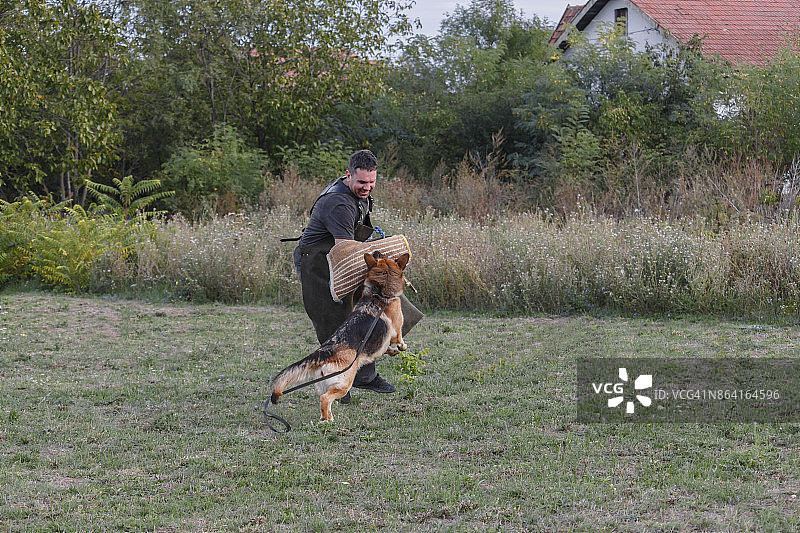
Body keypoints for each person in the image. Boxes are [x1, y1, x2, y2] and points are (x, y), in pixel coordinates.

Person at [294, 149, 423, 401]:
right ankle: (337, 382)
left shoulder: (359, 195)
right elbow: (347, 250)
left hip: (340, 260)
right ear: (348, 176)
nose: (367, 187)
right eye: (362, 182)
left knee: (371, 311)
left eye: (372, 182)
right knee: (334, 324)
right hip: (319, 264)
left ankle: (364, 376)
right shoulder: (339, 204)